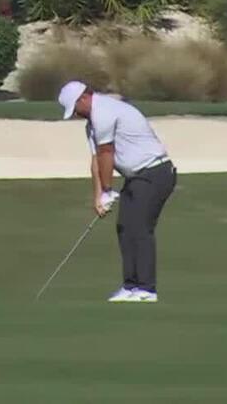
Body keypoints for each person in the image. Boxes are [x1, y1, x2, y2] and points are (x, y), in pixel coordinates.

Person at [58, 79, 177, 303]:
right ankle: (130, 286)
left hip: (155, 171)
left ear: (84, 98)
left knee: (140, 228)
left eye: (75, 109)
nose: (75, 114)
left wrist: (108, 188)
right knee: (125, 227)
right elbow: (96, 161)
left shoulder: (104, 112)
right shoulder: (91, 123)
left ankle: (147, 289)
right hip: (136, 177)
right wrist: (99, 196)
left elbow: (106, 153)